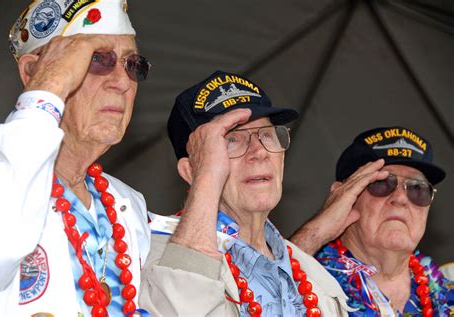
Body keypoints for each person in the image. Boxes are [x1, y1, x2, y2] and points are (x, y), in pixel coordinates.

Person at [0, 0, 152, 316]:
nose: (122, 81)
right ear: (32, 72)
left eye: (132, 65)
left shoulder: (128, 203)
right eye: (97, 59)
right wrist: (47, 88)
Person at [139, 70, 353, 316]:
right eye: (231, 140)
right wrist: (207, 179)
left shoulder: (316, 278)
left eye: (267, 135)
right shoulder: (150, 256)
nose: (259, 152)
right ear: (191, 171)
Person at [293, 126, 454, 316]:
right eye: (382, 182)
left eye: (418, 188)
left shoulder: (445, 293)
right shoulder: (305, 284)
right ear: (344, 198)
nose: (401, 198)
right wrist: (316, 231)